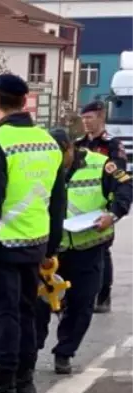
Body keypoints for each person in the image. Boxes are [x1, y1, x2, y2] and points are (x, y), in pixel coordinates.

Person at [0, 74, 66, 393]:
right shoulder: (48, 142)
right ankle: (25, 381)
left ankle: (3, 386)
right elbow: (57, 200)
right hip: (35, 243)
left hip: (4, 246)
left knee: (2, 316)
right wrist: (50, 247)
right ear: (25, 102)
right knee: (25, 313)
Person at [34, 128, 133, 374]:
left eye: (59, 155)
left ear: (70, 148)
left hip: (88, 247)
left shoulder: (100, 164)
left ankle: (64, 352)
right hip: (51, 250)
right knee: (37, 304)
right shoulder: (42, 165)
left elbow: (125, 187)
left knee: (81, 305)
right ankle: (30, 350)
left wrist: (113, 215)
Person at [76, 99, 128, 314]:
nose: (86, 122)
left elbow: (120, 177)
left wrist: (114, 210)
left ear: (100, 117)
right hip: (77, 209)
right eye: (83, 118)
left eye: (90, 118)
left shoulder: (112, 146)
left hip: (101, 207)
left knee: (101, 251)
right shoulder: (79, 145)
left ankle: (103, 296)